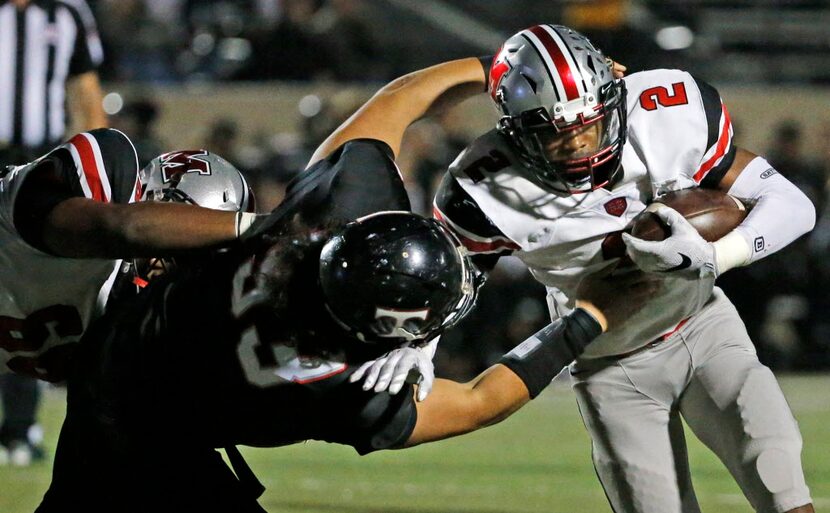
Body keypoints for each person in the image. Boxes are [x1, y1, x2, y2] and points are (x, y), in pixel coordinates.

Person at [425, 24, 815, 513]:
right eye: (558, 137)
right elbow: (447, 283)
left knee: (781, 481)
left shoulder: (663, 112)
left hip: (704, 325)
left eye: (588, 124)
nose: (581, 146)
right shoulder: (482, 186)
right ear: (516, 132)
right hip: (609, 364)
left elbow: (793, 204)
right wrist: (419, 347)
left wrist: (717, 255)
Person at [0, 128, 262, 465]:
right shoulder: (109, 172)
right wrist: (257, 226)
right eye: (187, 256)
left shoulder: (138, 328)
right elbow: (121, 227)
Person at [0, 0, 108, 465]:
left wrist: (99, 171)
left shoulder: (66, 11)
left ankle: (18, 431)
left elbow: (85, 92)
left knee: (27, 296)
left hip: (36, 166)